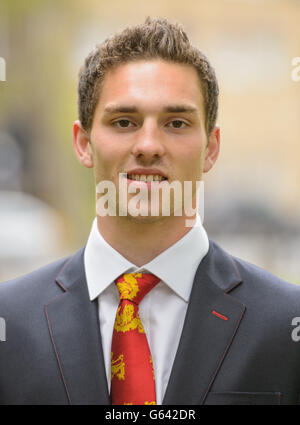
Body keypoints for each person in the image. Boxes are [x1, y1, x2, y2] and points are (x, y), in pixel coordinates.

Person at [1, 17, 300, 406]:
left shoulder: (285, 324)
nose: (148, 144)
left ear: (211, 147)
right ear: (83, 143)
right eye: (123, 121)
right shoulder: (10, 323)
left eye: (176, 123)